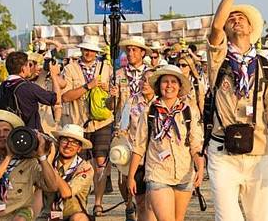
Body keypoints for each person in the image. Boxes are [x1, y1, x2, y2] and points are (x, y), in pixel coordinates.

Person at [206, 0, 268, 221]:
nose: (236, 19)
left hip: (258, 150)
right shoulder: (219, 57)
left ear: (251, 28)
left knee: (264, 217)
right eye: (232, 17)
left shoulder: (265, 66)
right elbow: (215, 28)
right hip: (223, 151)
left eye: (241, 17)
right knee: (229, 218)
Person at [127, 65, 204, 221]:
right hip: (158, 173)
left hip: (184, 174)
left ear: (180, 86)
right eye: (165, 82)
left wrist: (201, 169)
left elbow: (195, 145)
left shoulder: (189, 111)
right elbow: (139, 146)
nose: (169, 86)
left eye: (173, 82)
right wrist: (131, 176)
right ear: (158, 85)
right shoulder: (149, 111)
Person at [0, 110, 57, 221]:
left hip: (20, 215)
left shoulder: (28, 161)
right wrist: (8, 157)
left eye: (6, 130)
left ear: (13, 134)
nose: (2, 135)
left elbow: (52, 186)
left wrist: (42, 156)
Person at [61, 35, 113, 217]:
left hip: (102, 121)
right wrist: (87, 86)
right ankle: (79, 204)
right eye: (86, 49)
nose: (89, 53)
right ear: (81, 50)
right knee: (77, 165)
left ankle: (98, 202)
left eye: (92, 50)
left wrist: (110, 93)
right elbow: (65, 96)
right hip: (77, 123)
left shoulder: (106, 68)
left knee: (101, 163)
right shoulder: (69, 69)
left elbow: (111, 100)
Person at [115, 35, 152, 221]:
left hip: (149, 133)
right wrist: (110, 98)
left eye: (134, 50)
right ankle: (129, 204)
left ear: (142, 52)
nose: (130, 53)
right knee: (123, 174)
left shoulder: (152, 74)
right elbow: (112, 106)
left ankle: (143, 206)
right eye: (127, 50)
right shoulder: (119, 74)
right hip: (126, 127)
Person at [0, 52, 62, 131]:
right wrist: (54, 75)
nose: (29, 68)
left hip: (12, 133)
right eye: (28, 65)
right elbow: (56, 99)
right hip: (30, 134)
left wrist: (44, 71)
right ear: (23, 68)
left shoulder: (3, 85)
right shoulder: (28, 87)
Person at [41, 124, 94, 221]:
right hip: (47, 215)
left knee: (80, 218)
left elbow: (66, 193)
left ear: (79, 148)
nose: (68, 145)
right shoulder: (46, 161)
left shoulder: (85, 168)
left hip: (72, 215)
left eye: (74, 143)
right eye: (65, 140)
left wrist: (48, 164)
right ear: (58, 142)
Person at [27, 52, 66, 134]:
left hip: (47, 125)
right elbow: (38, 86)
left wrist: (53, 74)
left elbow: (63, 84)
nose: (37, 68)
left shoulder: (47, 79)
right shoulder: (23, 83)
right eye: (30, 65)